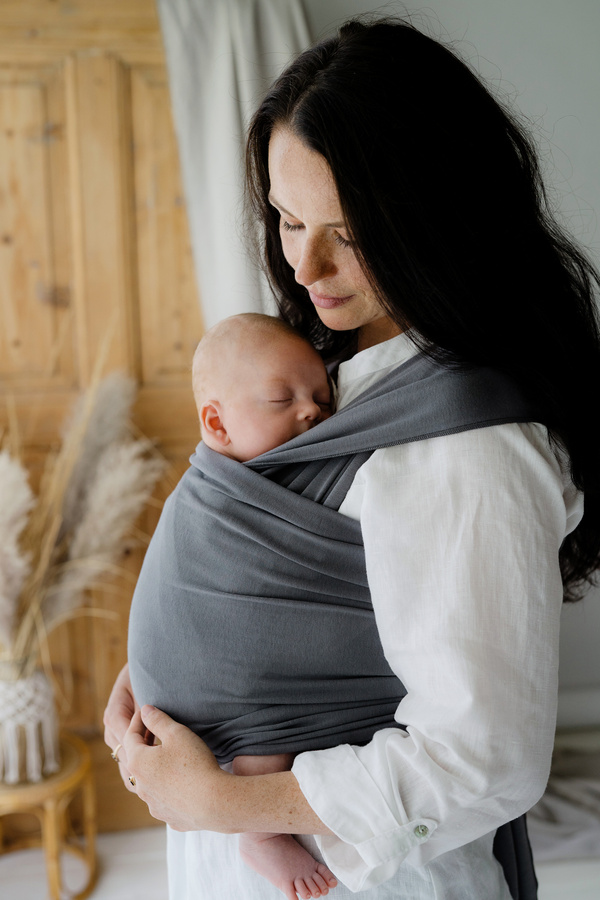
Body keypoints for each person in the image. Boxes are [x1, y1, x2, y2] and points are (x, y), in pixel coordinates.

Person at [104, 17, 600, 900]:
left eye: (348, 231)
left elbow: (484, 758)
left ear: (436, 220)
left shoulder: (470, 449)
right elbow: (251, 575)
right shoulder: (321, 372)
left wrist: (218, 798)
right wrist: (158, 682)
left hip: (368, 879)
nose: (305, 265)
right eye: (289, 219)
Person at [128, 311, 338, 900]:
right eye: (282, 398)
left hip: (201, 665)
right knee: (259, 680)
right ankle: (259, 829)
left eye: (322, 395)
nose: (310, 410)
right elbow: (177, 574)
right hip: (207, 669)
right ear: (216, 424)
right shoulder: (211, 493)